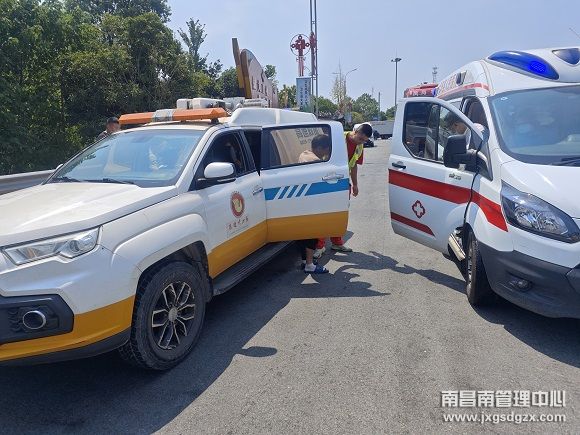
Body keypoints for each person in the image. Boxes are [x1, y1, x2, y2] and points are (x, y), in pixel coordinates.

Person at [314, 122, 372, 258]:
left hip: (343, 182)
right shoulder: (337, 138)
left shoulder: (359, 146)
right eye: (360, 139)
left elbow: (354, 165)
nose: (361, 143)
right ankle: (320, 246)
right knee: (324, 213)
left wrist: (355, 184)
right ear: (356, 131)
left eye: (364, 141)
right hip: (327, 180)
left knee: (340, 214)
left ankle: (337, 242)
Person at [296, 134, 331, 274]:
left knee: (303, 234)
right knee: (312, 234)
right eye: (327, 150)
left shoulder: (304, 154)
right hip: (310, 202)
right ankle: (310, 265)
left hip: (301, 201)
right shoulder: (315, 161)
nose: (327, 153)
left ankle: (305, 261)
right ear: (320, 148)